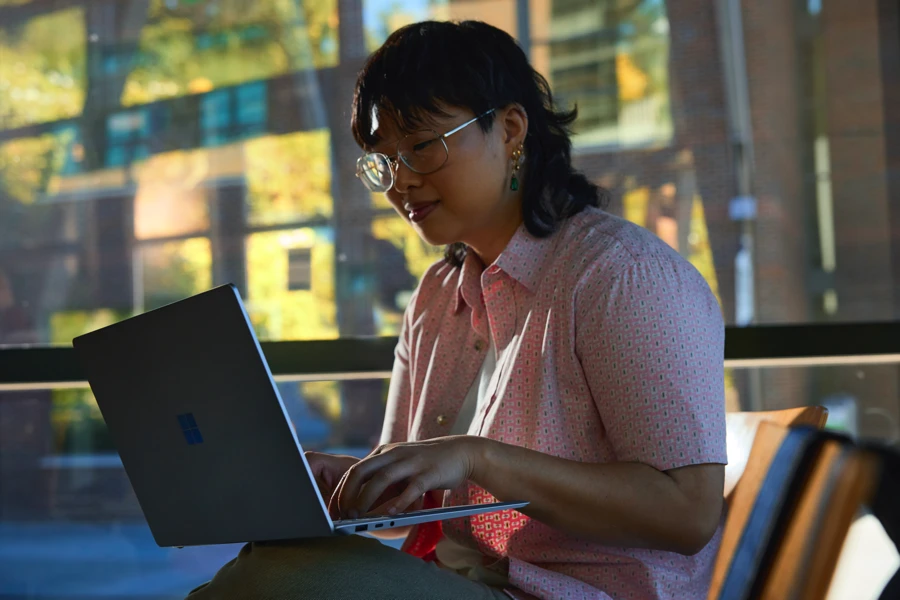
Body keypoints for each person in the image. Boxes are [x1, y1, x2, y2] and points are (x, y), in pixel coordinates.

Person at [188, 20, 726, 600]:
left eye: (422, 146)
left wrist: (476, 458)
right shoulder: (438, 295)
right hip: (459, 580)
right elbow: (414, 501)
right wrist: (343, 479)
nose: (401, 183)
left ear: (511, 129)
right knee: (277, 563)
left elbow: (687, 515)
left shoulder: (622, 276)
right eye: (383, 160)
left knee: (277, 581)